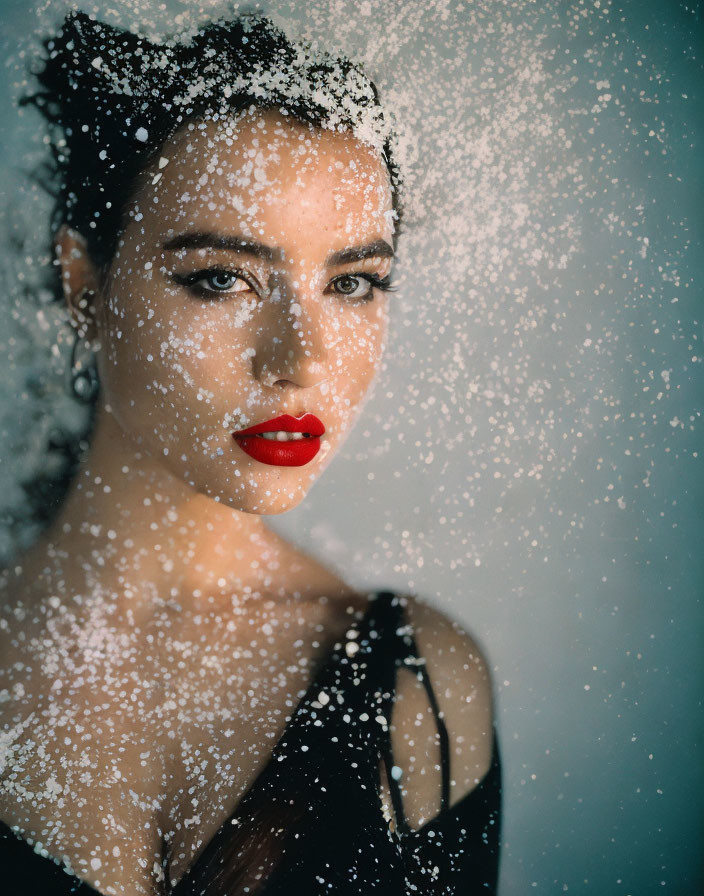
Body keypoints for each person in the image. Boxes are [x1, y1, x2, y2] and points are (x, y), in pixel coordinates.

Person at [0, 9, 501, 895]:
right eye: (221, 278)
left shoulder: (421, 687)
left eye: (353, 284)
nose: (300, 358)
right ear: (85, 287)